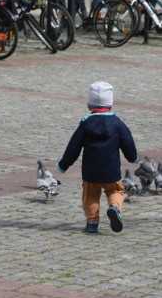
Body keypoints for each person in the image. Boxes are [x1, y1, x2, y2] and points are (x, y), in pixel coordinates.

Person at [57, 81, 138, 234]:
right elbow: (128, 143)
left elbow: (73, 146)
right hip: (111, 171)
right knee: (116, 191)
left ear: (89, 106)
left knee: (91, 196)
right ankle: (114, 208)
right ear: (111, 105)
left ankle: (92, 223)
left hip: (91, 172)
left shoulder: (86, 124)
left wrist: (64, 164)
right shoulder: (118, 123)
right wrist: (133, 157)